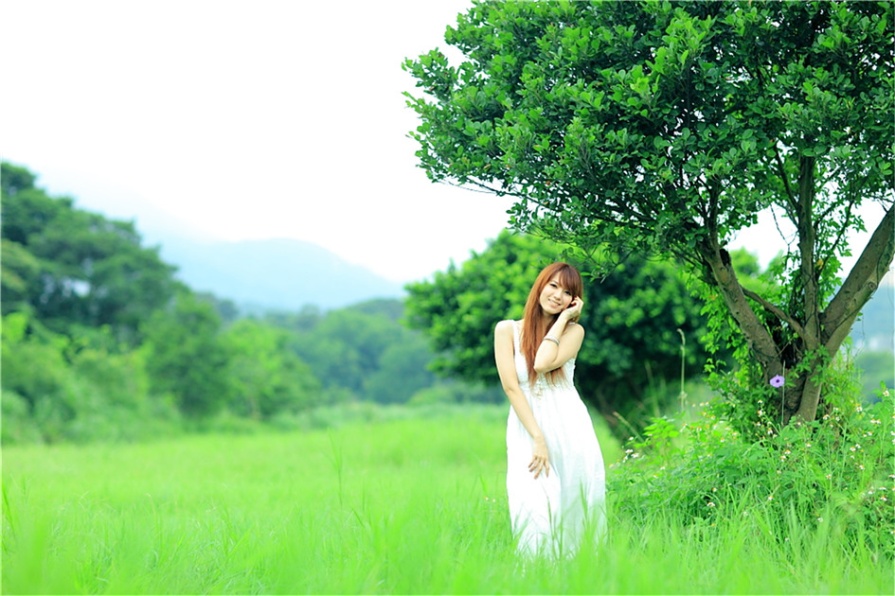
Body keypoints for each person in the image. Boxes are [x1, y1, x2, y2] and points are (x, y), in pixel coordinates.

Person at [494, 262, 606, 558]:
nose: (558, 295)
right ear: (540, 286)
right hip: (528, 428)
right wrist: (537, 437)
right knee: (534, 509)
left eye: (567, 292)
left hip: (569, 426)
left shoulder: (574, 332)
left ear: (573, 302)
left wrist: (564, 320)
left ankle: (579, 583)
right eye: (553, 285)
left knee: (574, 510)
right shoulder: (506, 330)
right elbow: (511, 387)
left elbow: (542, 363)